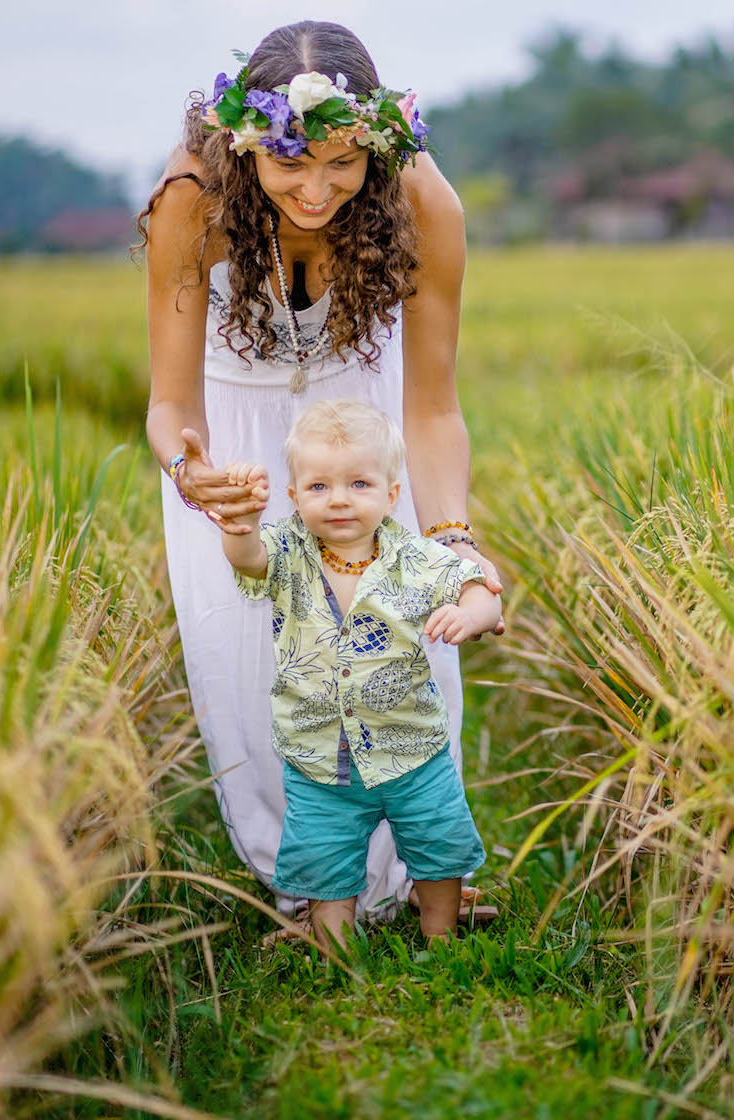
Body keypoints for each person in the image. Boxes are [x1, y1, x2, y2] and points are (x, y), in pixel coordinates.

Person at [137, 20, 502, 925]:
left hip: (361, 426)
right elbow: (170, 403)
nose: (316, 189)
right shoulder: (192, 201)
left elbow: (431, 407)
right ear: (245, 146)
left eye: (341, 166)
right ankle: (304, 885)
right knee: (249, 654)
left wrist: (453, 539)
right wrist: (194, 475)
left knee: (404, 641)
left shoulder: (425, 204)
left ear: (374, 147)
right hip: (229, 434)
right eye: (290, 167)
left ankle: (408, 873)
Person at [219, 400, 501, 946]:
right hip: (319, 753)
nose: (340, 499)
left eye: (359, 484)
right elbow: (246, 558)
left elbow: (479, 589)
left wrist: (469, 614)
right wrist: (240, 523)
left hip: (411, 748)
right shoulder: (286, 549)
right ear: (294, 495)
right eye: (319, 487)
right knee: (325, 857)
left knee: (436, 844)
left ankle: (440, 933)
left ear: (391, 495)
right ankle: (334, 946)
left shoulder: (415, 558)